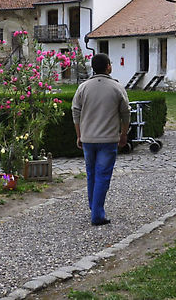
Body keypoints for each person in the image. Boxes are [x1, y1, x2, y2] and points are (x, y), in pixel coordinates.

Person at [72, 53, 130, 226]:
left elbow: (75, 111)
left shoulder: (83, 87)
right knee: (103, 175)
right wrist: (124, 134)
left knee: (91, 174)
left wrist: (79, 134)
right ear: (108, 67)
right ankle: (97, 214)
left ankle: (94, 206)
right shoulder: (117, 87)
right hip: (108, 138)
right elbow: (125, 113)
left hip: (88, 138)